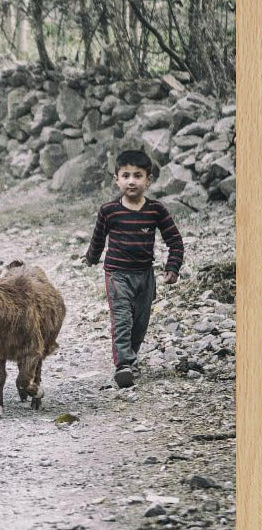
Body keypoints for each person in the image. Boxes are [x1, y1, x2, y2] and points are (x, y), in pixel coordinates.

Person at [84, 149, 184, 389]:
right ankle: (124, 365)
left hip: (145, 276)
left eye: (138, 175)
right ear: (116, 179)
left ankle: (131, 356)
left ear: (148, 180)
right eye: (126, 175)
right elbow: (98, 239)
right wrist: (91, 258)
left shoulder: (156, 210)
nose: (131, 181)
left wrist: (173, 266)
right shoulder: (109, 211)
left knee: (140, 322)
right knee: (122, 319)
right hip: (117, 274)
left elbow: (175, 240)